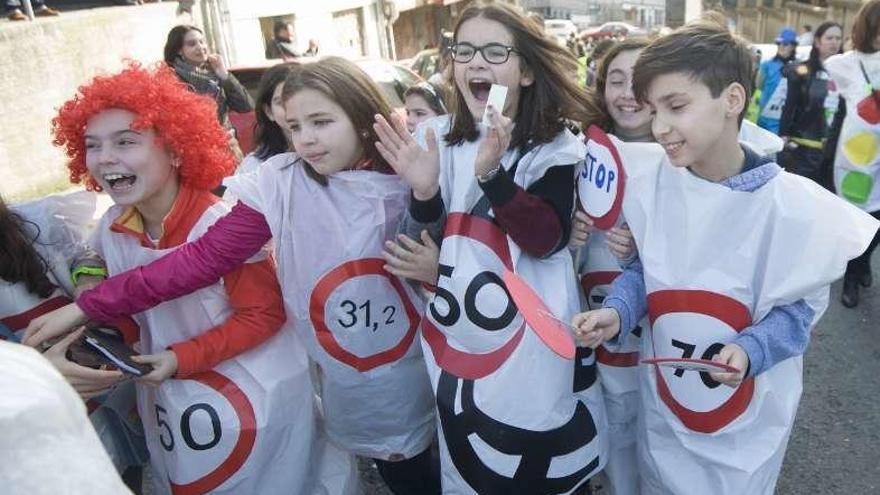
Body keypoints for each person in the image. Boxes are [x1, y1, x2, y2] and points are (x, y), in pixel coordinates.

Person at [26, 58, 436, 495]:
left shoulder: (421, 164)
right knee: (401, 466)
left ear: (361, 115)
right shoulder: (279, 186)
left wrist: (427, 197)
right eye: (294, 127)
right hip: (333, 378)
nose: (307, 139)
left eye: (321, 121)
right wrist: (93, 308)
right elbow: (198, 261)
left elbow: (460, 256)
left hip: (426, 363)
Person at [572, 21, 878, 495]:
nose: (660, 127)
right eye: (655, 111)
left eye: (676, 106)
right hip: (666, 411)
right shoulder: (655, 182)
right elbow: (643, 272)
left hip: (740, 428)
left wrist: (751, 349)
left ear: (733, 100)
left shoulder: (792, 208)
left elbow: (797, 312)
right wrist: (618, 311)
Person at [373, 2, 608, 492]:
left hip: (535, 341)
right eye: (465, 50)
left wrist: (493, 175)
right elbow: (420, 244)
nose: (476, 62)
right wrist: (423, 192)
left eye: (496, 51)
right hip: (463, 337)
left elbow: (546, 240)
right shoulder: (436, 137)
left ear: (525, 71)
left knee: (538, 450)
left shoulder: (555, 147)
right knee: (472, 464)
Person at [0, 191, 148, 489]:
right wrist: (39, 378)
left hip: (109, 416)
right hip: (35, 458)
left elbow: (86, 254)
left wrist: (88, 282)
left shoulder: (36, 224)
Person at [571, 37, 651, 495]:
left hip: (655, 330)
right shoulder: (580, 152)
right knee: (609, 411)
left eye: (638, 81)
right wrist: (570, 238)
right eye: (615, 80)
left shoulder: (686, 156)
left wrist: (641, 254)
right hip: (596, 317)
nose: (626, 93)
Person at [825, 0, 880, 308]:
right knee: (857, 217)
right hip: (858, 158)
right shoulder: (844, 64)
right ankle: (851, 275)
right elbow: (833, 110)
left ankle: (864, 262)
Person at [164, 25, 254, 161]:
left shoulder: (215, 74)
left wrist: (224, 75)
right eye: (192, 44)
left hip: (228, 150)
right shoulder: (172, 79)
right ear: (179, 51)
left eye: (202, 41)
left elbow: (245, 106)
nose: (200, 47)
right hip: (196, 156)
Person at [779, 21, 843, 186]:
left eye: (838, 38)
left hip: (834, 153)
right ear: (817, 41)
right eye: (829, 38)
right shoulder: (802, 71)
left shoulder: (848, 73)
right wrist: (783, 135)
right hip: (803, 149)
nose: (834, 42)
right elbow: (790, 105)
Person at [234, 62, 298, 175]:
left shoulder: (335, 156)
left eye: (298, 99)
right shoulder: (255, 168)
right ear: (269, 112)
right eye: (281, 102)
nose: (292, 109)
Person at [756, 27, 798, 134]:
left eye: (785, 44)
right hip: (765, 119)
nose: (781, 46)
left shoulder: (800, 67)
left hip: (787, 120)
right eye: (779, 43)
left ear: (793, 46)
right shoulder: (766, 65)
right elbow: (759, 85)